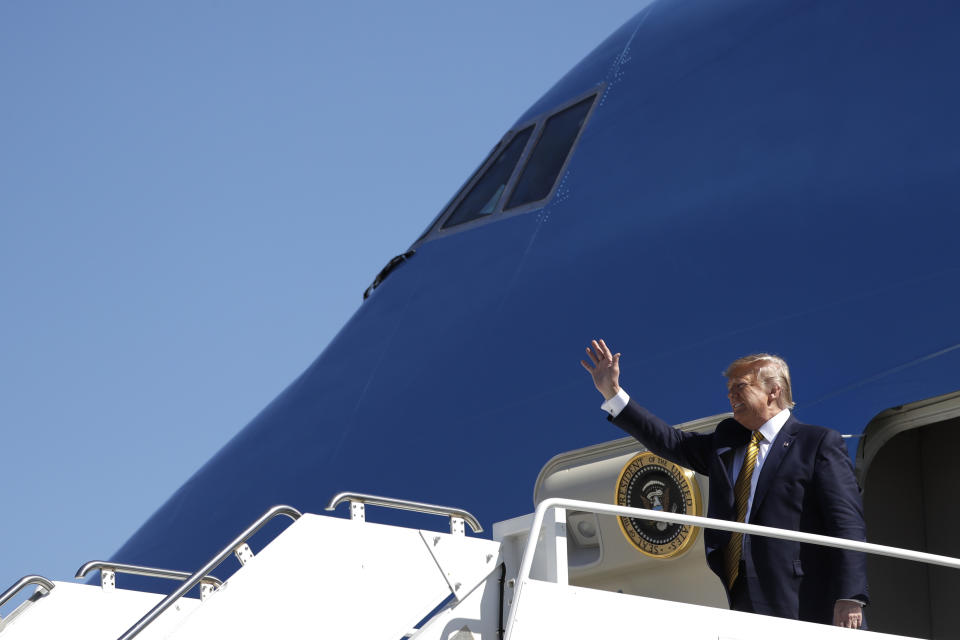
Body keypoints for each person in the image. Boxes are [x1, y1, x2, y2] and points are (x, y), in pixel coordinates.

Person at [581, 339, 868, 628]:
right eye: (729, 390)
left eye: (740, 387)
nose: (731, 397)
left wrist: (850, 596)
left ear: (774, 391)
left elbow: (846, 522)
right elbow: (671, 441)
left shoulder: (816, 443)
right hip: (742, 595)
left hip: (803, 597)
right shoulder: (728, 443)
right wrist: (613, 393)